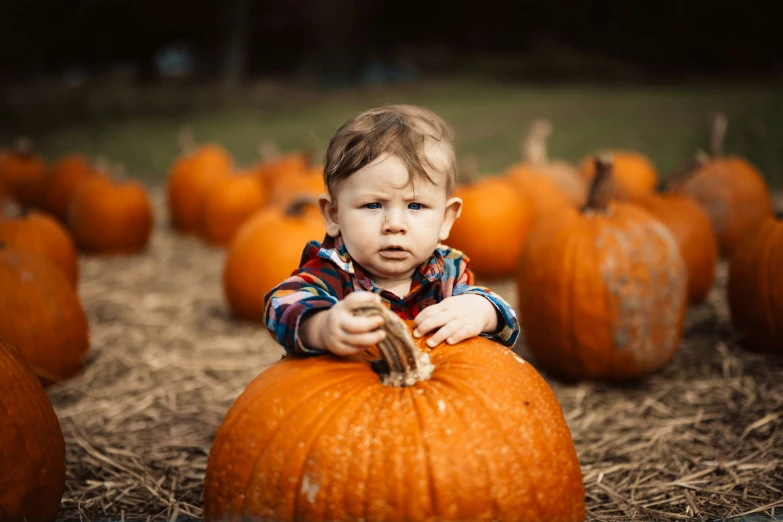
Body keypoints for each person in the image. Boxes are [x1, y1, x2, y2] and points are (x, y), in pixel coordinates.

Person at [263, 104, 519, 357]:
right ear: (333, 215)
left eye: (415, 206)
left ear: (445, 219)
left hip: (433, 391)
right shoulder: (331, 272)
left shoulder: (448, 274)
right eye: (373, 205)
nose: (394, 224)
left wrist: (482, 311)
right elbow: (280, 304)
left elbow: (507, 321)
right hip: (347, 391)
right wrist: (321, 326)